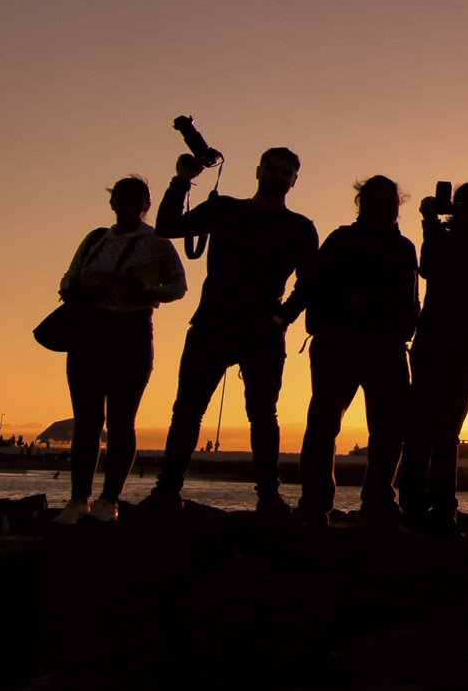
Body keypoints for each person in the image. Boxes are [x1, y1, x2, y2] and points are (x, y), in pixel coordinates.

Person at [147, 146, 319, 514]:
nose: (276, 176)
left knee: (262, 415)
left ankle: (269, 496)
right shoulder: (224, 209)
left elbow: (310, 285)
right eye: (271, 169)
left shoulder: (299, 228)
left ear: (294, 181)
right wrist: (182, 180)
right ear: (258, 171)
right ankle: (166, 491)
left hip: (263, 332)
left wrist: (281, 319)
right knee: (188, 411)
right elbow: (167, 226)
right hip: (212, 324)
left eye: (284, 172)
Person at [53, 178, 186, 525]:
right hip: (89, 331)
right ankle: (77, 499)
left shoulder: (157, 242)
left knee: (121, 420)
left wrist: (145, 291)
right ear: (112, 202)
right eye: (121, 197)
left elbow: (178, 286)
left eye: (136, 197)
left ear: (146, 204)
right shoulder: (96, 239)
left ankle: (109, 499)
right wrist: (80, 289)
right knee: (86, 422)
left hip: (132, 331)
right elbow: (67, 279)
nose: (128, 203)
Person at [296, 176, 419, 525]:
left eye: (391, 201)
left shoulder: (404, 247)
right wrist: (340, 306)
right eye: (377, 200)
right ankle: (315, 503)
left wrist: (408, 327)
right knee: (324, 425)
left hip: (388, 348)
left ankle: (378, 501)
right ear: (362, 204)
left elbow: (412, 295)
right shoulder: (341, 240)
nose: (386, 207)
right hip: (338, 344)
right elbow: (313, 287)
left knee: (389, 429)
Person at [397, 183, 468, 536]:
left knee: (446, 432)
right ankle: (415, 505)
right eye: (467, 205)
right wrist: (429, 221)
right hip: (436, 342)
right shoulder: (444, 238)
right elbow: (429, 268)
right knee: (422, 427)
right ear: (455, 208)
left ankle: (441, 508)